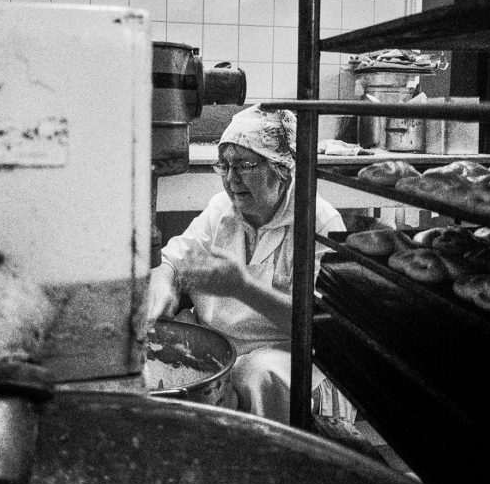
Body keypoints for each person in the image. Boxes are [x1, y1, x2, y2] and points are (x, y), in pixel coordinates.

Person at [146, 104, 346, 424]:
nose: (231, 179)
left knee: (257, 373)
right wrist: (157, 307)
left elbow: (320, 323)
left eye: (244, 165)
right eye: (223, 165)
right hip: (218, 340)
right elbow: (169, 262)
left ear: (281, 169)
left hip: (281, 351)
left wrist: (242, 286)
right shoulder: (222, 208)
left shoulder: (318, 222)